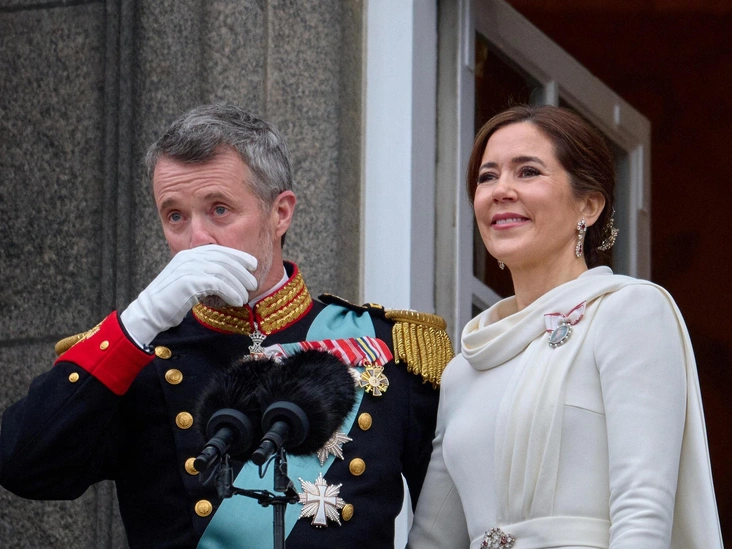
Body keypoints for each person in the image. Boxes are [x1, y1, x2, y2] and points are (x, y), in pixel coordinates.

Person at [0, 103, 453, 549]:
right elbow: (24, 465)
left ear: (280, 213)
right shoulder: (140, 355)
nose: (197, 241)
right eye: (175, 216)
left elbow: (451, 523)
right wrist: (140, 321)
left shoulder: (387, 346)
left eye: (219, 209)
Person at [407, 105, 722, 549]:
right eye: (487, 177)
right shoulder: (464, 369)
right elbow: (432, 539)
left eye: (528, 171)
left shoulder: (629, 312)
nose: (501, 191)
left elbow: (643, 510)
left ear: (589, 205)